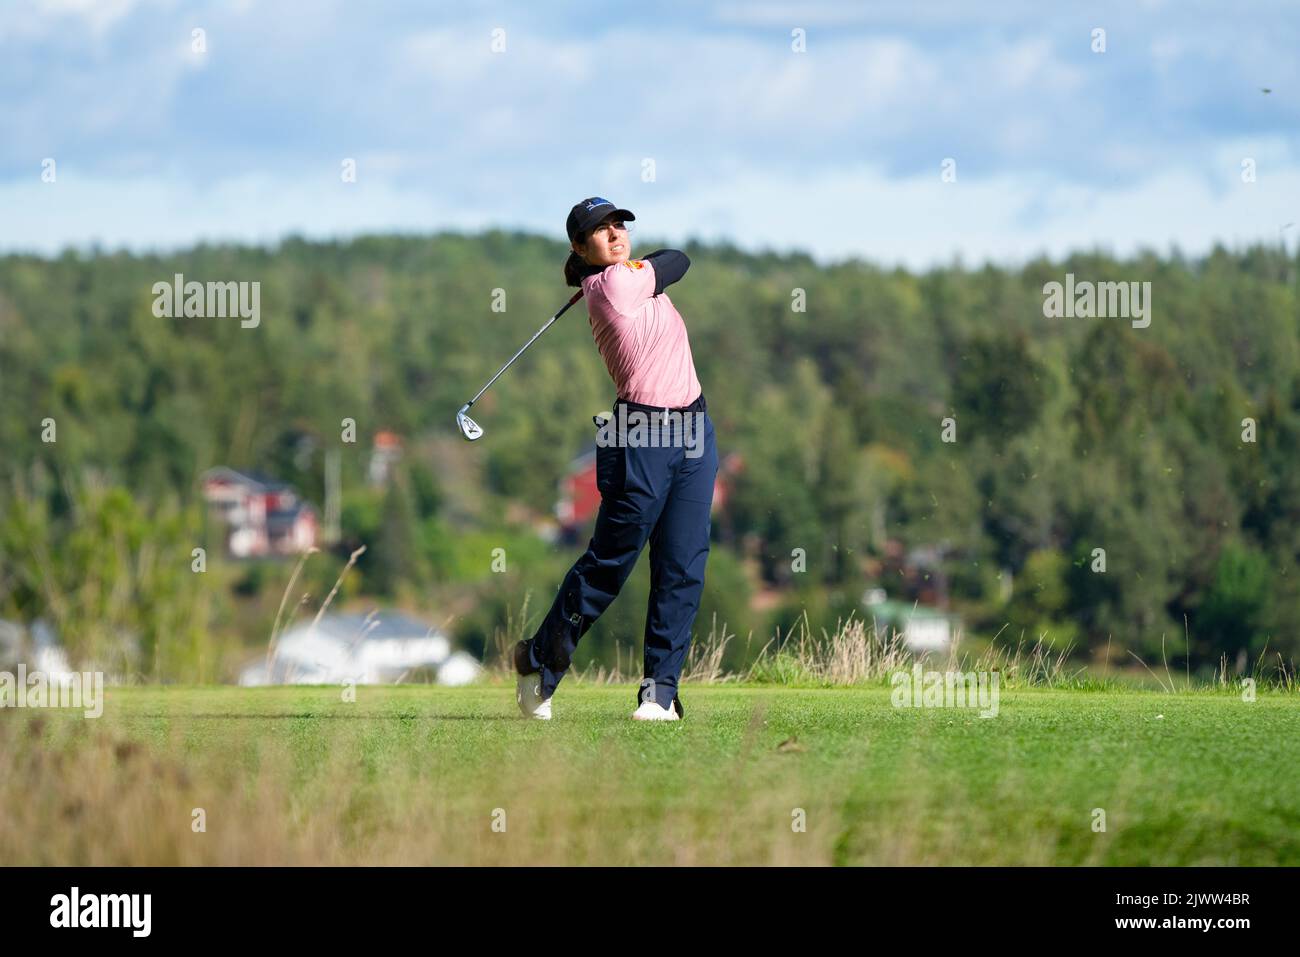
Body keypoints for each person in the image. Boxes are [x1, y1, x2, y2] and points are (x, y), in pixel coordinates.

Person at [514, 197, 718, 721]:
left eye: (618, 226)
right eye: (600, 231)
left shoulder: (628, 275)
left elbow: (666, 264)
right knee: (610, 565)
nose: (615, 234)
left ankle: (660, 694)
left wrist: (636, 264)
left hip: (694, 428)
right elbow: (678, 258)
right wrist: (633, 266)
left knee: (682, 565)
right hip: (642, 433)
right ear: (580, 249)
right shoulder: (612, 285)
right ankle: (539, 665)